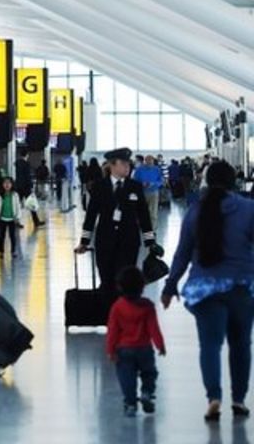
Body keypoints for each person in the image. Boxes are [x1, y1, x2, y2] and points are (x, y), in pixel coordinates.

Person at [162, 161, 254, 422]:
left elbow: (182, 253)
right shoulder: (248, 209)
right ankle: (239, 399)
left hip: (205, 289)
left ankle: (214, 397)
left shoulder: (195, 211)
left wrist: (170, 287)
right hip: (241, 286)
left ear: (205, 180)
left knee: (210, 345)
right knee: (241, 344)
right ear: (233, 182)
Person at [75, 148, 160, 293]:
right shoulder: (99, 187)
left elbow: (144, 216)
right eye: (123, 164)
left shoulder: (135, 187)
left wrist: (150, 242)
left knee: (126, 284)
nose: (128, 167)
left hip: (129, 242)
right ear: (112, 165)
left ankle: (123, 314)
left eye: (129, 164)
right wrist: (84, 241)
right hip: (105, 241)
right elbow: (91, 216)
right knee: (107, 282)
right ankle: (108, 314)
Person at [107, 266, 165, 417]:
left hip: (124, 349)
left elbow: (113, 331)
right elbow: (154, 328)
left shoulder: (117, 307)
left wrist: (110, 350)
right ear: (142, 286)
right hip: (144, 348)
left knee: (126, 376)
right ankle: (146, 393)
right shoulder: (147, 306)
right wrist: (160, 345)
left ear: (120, 287)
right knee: (149, 373)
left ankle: (130, 403)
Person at [0, 177, 21, 259]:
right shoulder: (0, 195)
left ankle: (13, 251)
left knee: (12, 236)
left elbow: (18, 206)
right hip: (2, 219)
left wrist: (18, 217)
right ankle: (1, 252)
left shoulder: (15, 195)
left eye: (9, 183)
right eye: (5, 183)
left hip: (12, 219)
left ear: (12, 184)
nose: (7, 185)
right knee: (2, 236)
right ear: (2, 185)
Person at [133, 155, 163, 230]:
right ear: (145, 161)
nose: (149, 162)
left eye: (151, 160)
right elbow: (134, 181)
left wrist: (154, 184)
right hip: (142, 193)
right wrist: (142, 184)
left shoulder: (157, 169)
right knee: (142, 211)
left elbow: (161, 180)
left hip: (154, 192)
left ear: (153, 161)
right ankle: (143, 227)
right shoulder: (139, 170)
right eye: (148, 160)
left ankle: (152, 229)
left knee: (153, 213)